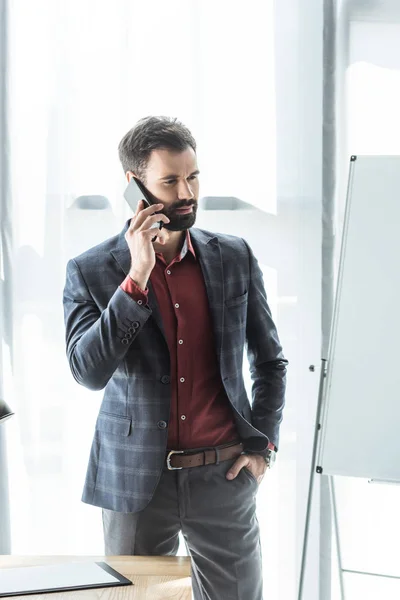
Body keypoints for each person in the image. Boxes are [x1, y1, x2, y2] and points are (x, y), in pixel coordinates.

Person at [63, 116, 288, 600]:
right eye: (170, 181)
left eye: (194, 176)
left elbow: (269, 361)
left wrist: (261, 444)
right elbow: (88, 371)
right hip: (135, 482)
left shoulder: (234, 257)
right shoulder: (90, 270)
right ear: (134, 186)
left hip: (224, 475)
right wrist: (136, 280)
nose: (187, 192)